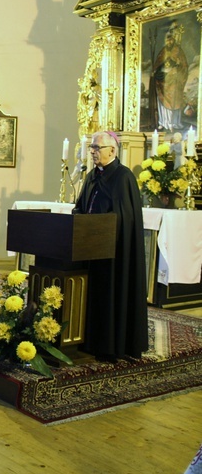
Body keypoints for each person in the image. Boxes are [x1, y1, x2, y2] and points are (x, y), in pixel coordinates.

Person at [72, 131, 148, 359]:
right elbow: (81, 205)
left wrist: (103, 229)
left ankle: (111, 345)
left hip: (114, 252)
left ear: (112, 150)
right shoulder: (92, 176)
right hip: (89, 248)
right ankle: (89, 340)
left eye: (97, 148)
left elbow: (125, 217)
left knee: (111, 294)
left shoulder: (123, 177)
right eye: (92, 148)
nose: (93, 152)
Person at [152, 27, 188, 131]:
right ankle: (164, 122)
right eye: (167, 39)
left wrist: (177, 67)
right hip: (163, 81)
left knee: (175, 102)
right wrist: (158, 71)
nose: (169, 41)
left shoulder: (178, 50)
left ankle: (175, 122)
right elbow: (157, 64)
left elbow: (184, 66)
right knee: (164, 103)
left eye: (171, 39)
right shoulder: (163, 51)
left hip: (174, 82)